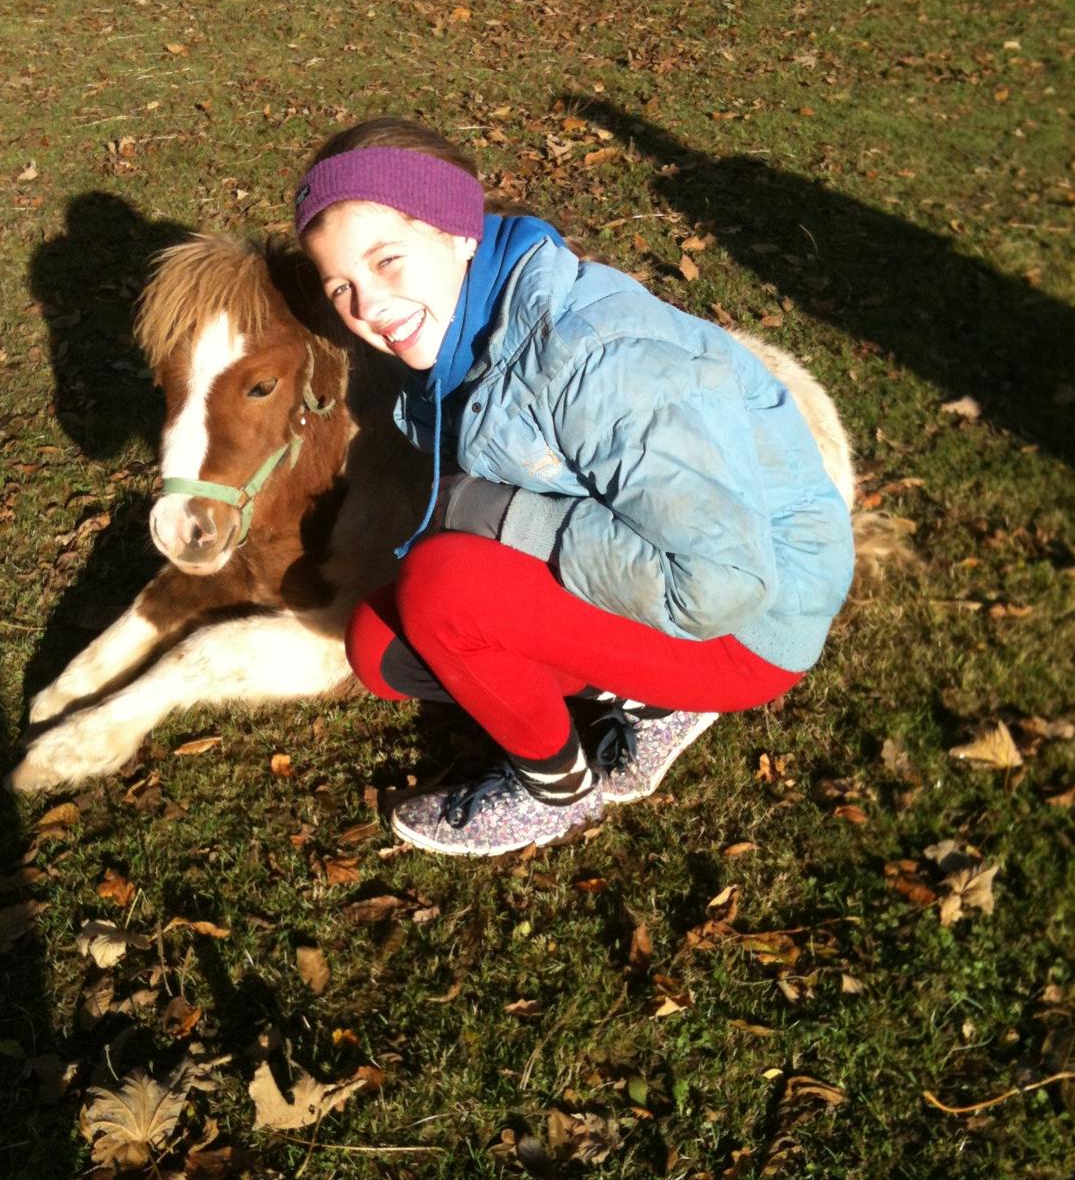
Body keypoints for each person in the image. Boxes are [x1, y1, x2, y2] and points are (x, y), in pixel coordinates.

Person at [293, 117, 854, 857]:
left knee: (445, 587)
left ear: (460, 231)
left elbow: (722, 583)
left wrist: (501, 519)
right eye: (342, 286)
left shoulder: (591, 357)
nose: (367, 308)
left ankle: (553, 793)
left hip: (753, 619)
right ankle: (653, 702)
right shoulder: (466, 332)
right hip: (673, 575)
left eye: (388, 260)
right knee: (381, 647)